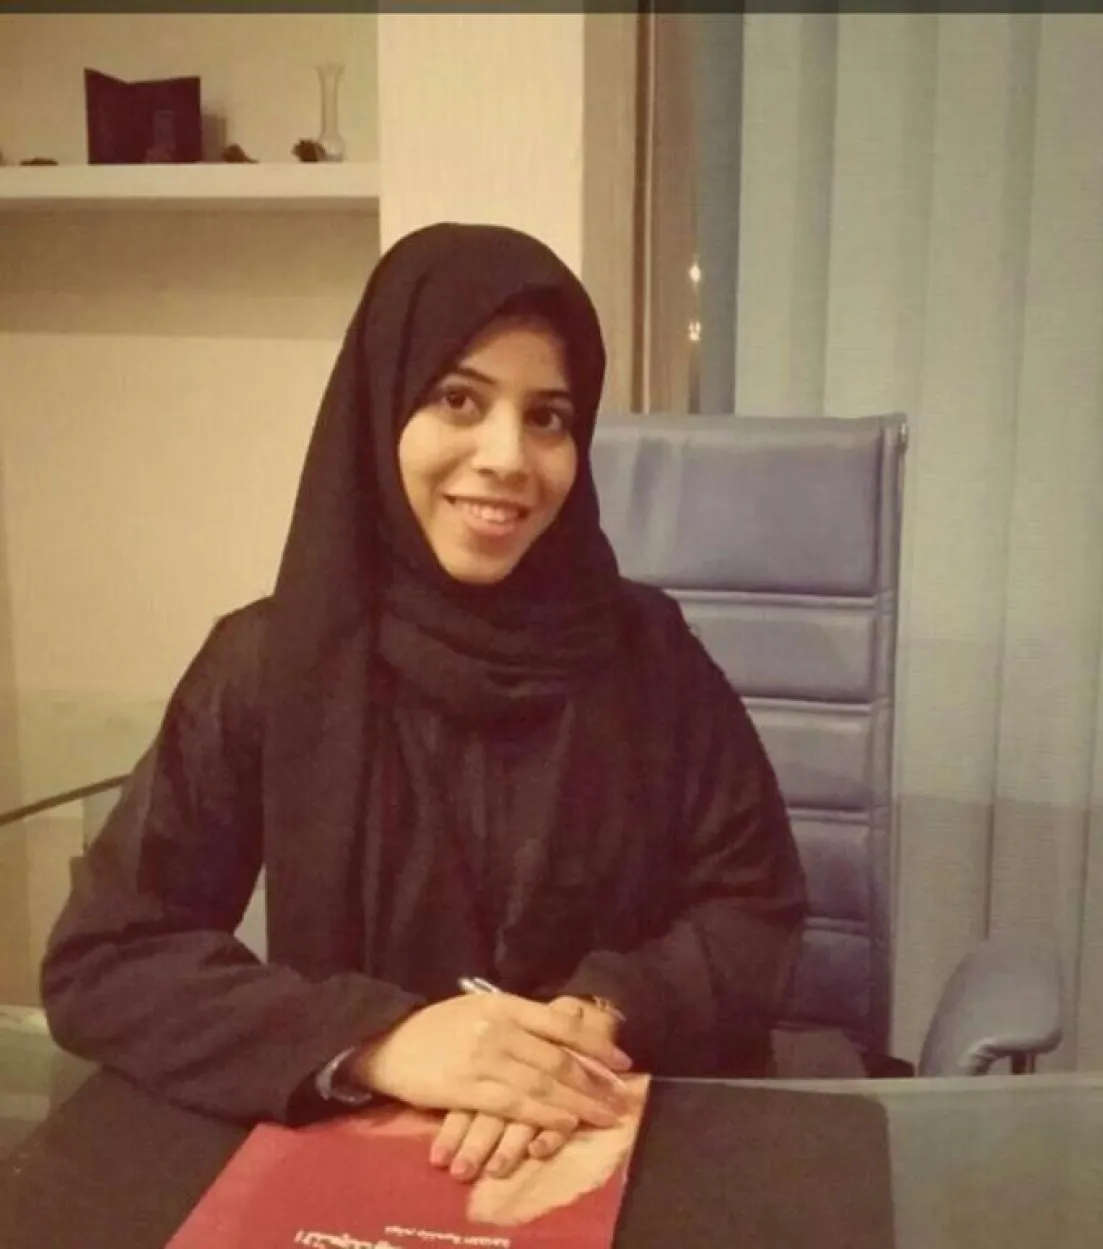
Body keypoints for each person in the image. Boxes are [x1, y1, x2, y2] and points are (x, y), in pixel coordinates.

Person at [40, 223, 807, 1184]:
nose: (508, 457)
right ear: (380, 409)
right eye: (458, 400)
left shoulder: (649, 655)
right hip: (362, 1161)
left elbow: (755, 908)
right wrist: (381, 1040)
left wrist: (601, 1016)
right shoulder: (270, 663)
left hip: (603, 1138)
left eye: (548, 417)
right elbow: (106, 959)